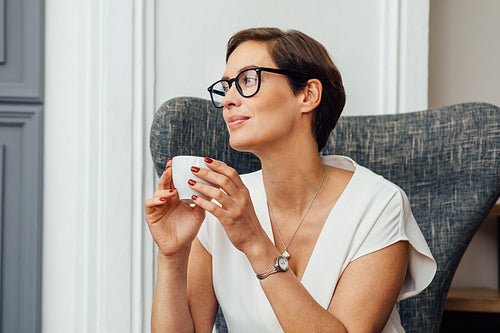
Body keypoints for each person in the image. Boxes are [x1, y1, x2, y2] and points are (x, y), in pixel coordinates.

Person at [145, 27, 436, 332]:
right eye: (227, 86)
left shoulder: (378, 205)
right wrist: (172, 255)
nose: (229, 99)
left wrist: (255, 242)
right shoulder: (221, 204)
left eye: (247, 80)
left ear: (307, 95)